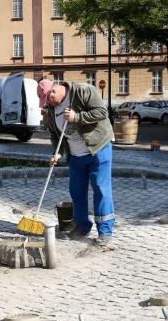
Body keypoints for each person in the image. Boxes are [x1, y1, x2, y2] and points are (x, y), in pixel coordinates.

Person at [37, 79, 116, 246]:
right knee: (76, 192)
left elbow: (102, 112)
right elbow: (55, 135)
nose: (48, 104)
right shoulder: (51, 110)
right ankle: (82, 227)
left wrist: (76, 117)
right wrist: (58, 153)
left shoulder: (82, 91)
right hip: (75, 156)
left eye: (48, 99)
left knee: (101, 190)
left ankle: (105, 232)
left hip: (97, 149)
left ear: (53, 91)